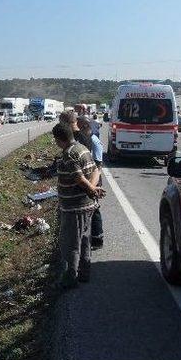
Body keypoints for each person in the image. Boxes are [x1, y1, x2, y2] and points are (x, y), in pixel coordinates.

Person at [53, 122, 105, 288]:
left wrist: (92, 189)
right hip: (87, 205)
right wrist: (93, 190)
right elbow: (97, 170)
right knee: (84, 240)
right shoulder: (82, 148)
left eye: (55, 140)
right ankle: (84, 273)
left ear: (59, 139)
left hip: (75, 207)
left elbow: (79, 178)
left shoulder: (69, 154)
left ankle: (71, 278)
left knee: (70, 243)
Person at [78, 116, 104, 249]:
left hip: (95, 178)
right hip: (89, 177)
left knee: (94, 207)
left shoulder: (94, 141)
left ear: (84, 127)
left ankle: (98, 238)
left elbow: (98, 165)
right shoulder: (84, 140)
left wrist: (93, 186)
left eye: (79, 126)